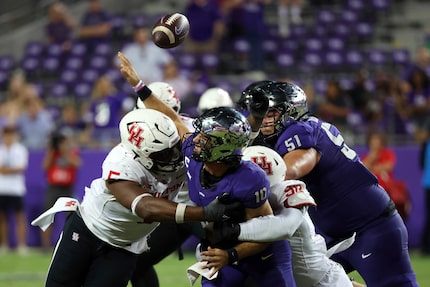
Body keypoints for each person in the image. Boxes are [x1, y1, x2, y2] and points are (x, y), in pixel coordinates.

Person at [118, 52, 296, 287]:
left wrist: (231, 255)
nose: (197, 140)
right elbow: (172, 117)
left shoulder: (249, 178)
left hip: (261, 256)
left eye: (206, 138)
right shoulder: (193, 151)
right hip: (219, 249)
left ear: (222, 149)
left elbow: (265, 232)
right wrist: (139, 86)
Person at [32, 108, 243, 287]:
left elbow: (225, 140)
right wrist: (204, 213)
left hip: (126, 245)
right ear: (141, 154)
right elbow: (145, 207)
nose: (172, 157)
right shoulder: (121, 162)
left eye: (172, 149)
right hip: (89, 230)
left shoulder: (182, 143)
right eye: (162, 154)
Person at [237, 80, 418, 286]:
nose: (263, 120)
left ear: (290, 112)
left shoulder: (300, 130)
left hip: (370, 226)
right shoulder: (275, 137)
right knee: (305, 280)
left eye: (271, 114)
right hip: (330, 235)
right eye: (259, 114)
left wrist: (249, 186)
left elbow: (291, 169)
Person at [208, 144, 364, 287]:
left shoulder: (286, 190)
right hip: (271, 271)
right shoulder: (234, 196)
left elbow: (285, 227)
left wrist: (235, 230)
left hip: (317, 276)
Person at [40, 131, 81, 250]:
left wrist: (65, 151)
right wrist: (52, 151)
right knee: (48, 215)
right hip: (53, 187)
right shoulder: (52, 153)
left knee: (71, 217)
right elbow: (45, 166)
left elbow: (77, 163)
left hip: (67, 188)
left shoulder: (72, 152)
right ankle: (45, 246)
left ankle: (70, 244)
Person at [362, 131, 411, 220]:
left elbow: (389, 166)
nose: (375, 142)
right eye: (373, 140)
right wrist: (372, 156)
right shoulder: (366, 156)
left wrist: (372, 168)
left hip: (387, 192)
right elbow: (363, 168)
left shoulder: (388, 153)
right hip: (372, 193)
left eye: (377, 140)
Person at [0, 125, 29, 254]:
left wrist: (6, 170)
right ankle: (4, 245)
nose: (9, 137)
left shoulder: (20, 150)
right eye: (6, 135)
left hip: (17, 189)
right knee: (2, 218)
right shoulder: (1, 150)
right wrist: (10, 169)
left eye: (11, 135)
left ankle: (22, 245)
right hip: (2, 188)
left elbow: (21, 168)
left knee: (20, 217)